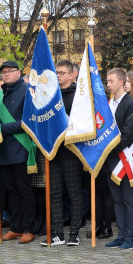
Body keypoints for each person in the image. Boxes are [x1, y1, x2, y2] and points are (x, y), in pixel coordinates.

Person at [43, 59, 85, 247]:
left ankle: (74, 232)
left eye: (61, 73)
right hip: (53, 151)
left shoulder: (79, 96)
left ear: (72, 74)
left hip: (72, 151)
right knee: (55, 194)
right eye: (57, 73)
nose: (58, 76)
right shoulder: (51, 96)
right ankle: (57, 233)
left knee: (74, 193)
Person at [0, 60, 38, 244]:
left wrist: (1, 129)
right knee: (11, 191)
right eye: (3, 72)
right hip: (4, 149)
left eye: (9, 71)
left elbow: (28, 121)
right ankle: (16, 227)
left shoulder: (27, 91)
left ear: (19, 72)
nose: (5, 75)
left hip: (21, 147)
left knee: (24, 190)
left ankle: (29, 228)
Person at [104, 68, 133, 250]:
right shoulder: (109, 104)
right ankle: (121, 234)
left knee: (128, 199)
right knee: (116, 199)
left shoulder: (131, 105)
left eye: (111, 81)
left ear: (121, 82)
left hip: (125, 159)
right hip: (111, 159)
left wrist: (108, 149)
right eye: (107, 81)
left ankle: (131, 236)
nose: (108, 84)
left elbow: (128, 134)